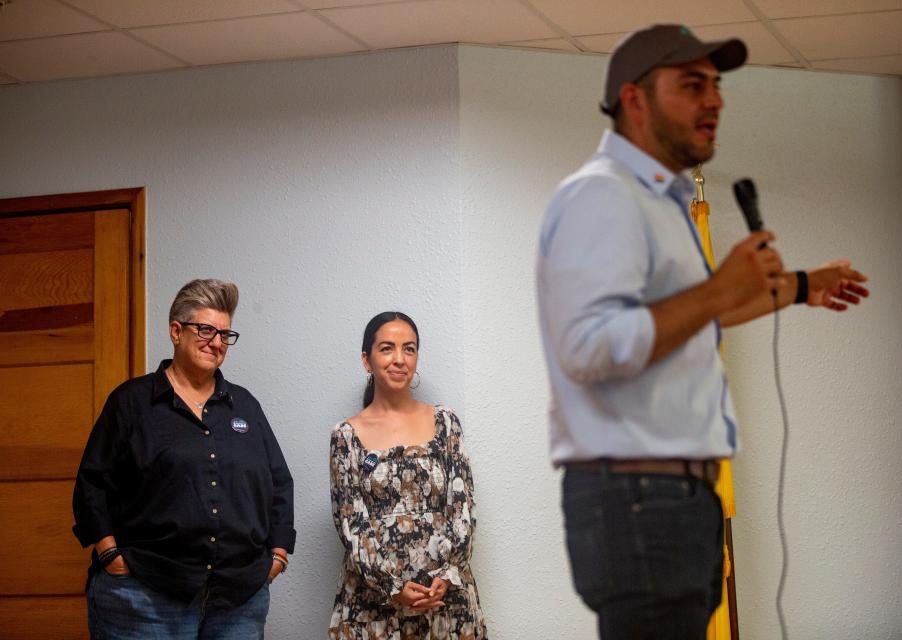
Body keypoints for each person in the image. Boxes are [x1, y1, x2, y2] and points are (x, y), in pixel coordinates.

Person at [536, 25, 871, 640]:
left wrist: (798, 286)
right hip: (638, 499)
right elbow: (589, 347)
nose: (715, 100)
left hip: (674, 499)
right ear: (635, 100)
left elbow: (684, 321)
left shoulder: (659, 202)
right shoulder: (601, 198)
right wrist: (718, 287)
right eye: (693, 86)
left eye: (715, 85)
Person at [72, 278, 296, 640]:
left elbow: (279, 482)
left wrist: (278, 556)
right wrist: (110, 553)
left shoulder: (245, 406)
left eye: (225, 334)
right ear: (176, 331)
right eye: (205, 329)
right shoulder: (131, 403)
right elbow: (92, 484)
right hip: (145, 596)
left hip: (237, 601)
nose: (217, 341)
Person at [328, 311, 486, 639]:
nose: (399, 359)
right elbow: (351, 525)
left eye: (409, 349)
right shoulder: (346, 436)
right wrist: (394, 586)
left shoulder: (446, 423)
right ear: (366, 360)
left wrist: (448, 573)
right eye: (387, 348)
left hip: (446, 601)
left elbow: (463, 506)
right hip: (374, 606)